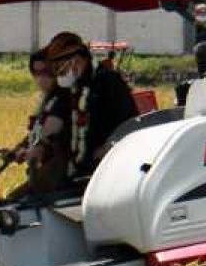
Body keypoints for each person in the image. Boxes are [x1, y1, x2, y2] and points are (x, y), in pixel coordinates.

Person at [40, 31, 139, 178]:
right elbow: (55, 119)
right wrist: (40, 143)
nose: (59, 74)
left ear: (76, 60)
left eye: (60, 67)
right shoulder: (72, 87)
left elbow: (130, 124)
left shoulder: (108, 82)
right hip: (77, 172)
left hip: (106, 170)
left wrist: (108, 147)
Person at [4, 50, 72, 199]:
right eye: (36, 73)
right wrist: (16, 150)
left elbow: (47, 134)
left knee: (13, 201)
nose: (41, 78)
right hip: (47, 169)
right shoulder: (49, 99)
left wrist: (31, 150)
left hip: (59, 171)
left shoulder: (63, 98)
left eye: (46, 72)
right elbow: (36, 133)